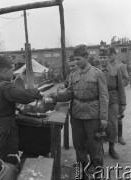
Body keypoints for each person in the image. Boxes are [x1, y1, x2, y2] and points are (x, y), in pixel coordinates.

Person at [48, 45, 109, 177]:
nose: (76, 62)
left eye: (78, 59)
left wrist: (104, 117)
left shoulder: (97, 74)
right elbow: (70, 93)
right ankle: (82, 174)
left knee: (95, 148)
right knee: (79, 146)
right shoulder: (73, 75)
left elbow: (104, 96)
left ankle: (98, 174)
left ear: (86, 57)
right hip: (76, 116)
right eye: (75, 60)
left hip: (93, 116)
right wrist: (56, 96)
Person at [0, 54, 42, 165]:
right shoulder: (4, 86)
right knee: (9, 164)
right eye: (12, 70)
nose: (13, 73)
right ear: (6, 70)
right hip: (4, 132)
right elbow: (23, 96)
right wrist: (37, 92)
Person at [99, 47, 126, 159]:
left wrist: (123, 103)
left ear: (108, 58)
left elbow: (121, 87)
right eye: (100, 57)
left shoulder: (116, 70)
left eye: (105, 57)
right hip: (100, 101)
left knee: (112, 125)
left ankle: (111, 148)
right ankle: (99, 149)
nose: (102, 60)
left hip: (113, 100)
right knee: (99, 125)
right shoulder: (96, 71)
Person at [108, 46, 128, 145]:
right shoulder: (103, 66)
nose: (109, 56)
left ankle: (119, 136)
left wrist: (118, 85)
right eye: (108, 55)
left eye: (111, 54)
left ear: (115, 55)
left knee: (118, 117)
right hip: (106, 95)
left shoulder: (120, 66)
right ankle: (108, 137)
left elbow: (126, 79)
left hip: (118, 95)